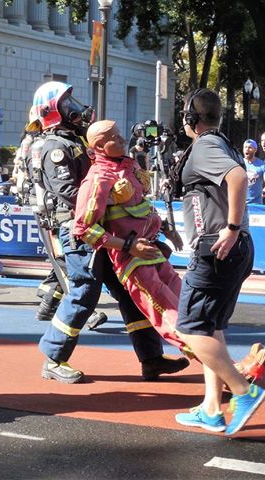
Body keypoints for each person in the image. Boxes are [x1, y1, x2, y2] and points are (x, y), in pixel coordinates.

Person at [33, 81, 190, 383]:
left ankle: (152, 358)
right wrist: (108, 193)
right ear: (53, 112)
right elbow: (68, 191)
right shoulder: (55, 147)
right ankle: (53, 358)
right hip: (78, 232)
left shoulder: (77, 140)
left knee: (128, 293)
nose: (76, 110)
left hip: (104, 228)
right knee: (83, 292)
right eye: (68, 105)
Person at [173, 88, 265, 436]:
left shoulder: (205, 145)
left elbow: (237, 178)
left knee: (190, 329)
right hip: (233, 247)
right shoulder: (223, 142)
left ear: (189, 118)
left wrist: (229, 228)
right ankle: (212, 409)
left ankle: (244, 392)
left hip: (218, 249)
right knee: (211, 327)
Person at [73, 120, 191, 355]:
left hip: (152, 252)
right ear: (99, 145)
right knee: (169, 315)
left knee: (186, 308)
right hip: (133, 261)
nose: (123, 140)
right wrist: (128, 245)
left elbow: (142, 207)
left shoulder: (128, 168)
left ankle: (222, 365)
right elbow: (83, 229)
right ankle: (224, 373)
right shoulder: (98, 179)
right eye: (115, 138)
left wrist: (166, 229)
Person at [242, 139, 265, 204]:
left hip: (256, 203)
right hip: (240, 203)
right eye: (245, 147)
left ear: (255, 150)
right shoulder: (239, 163)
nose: (247, 149)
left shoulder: (262, 165)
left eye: (250, 147)